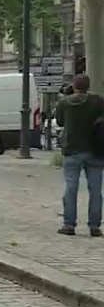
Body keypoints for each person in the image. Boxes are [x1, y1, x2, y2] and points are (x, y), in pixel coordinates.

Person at [55, 73, 104, 236]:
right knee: (96, 190)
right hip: (95, 150)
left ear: (74, 86)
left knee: (71, 187)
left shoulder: (65, 103)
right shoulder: (98, 101)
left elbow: (60, 122)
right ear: (88, 86)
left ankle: (69, 224)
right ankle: (95, 226)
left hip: (72, 149)